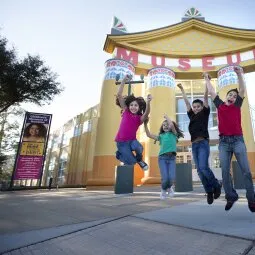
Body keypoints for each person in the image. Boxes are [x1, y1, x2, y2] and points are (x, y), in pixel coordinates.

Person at [204, 67, 255, 212]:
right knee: (225, 171)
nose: (232, 97)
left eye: (234, 95)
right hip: (224, 143)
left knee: (246, 171)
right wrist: (207, 78)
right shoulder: (220, 106)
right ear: (226, 97)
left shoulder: (237, 105)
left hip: (238, 141)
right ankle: (231, 196)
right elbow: (212, 92)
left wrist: (239, 74)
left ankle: (252, 199)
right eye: (230, 95)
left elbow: (242, 90)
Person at [177, 82, 222, 205]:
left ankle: (216, 184)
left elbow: (205, 98)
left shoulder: (205, 113)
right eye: (194, 107)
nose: (196, 108)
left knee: (203, 167)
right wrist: (182, 89)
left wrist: (206, 85)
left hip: (203, 143)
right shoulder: (191, 115)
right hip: (194, 145)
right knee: (199, 171)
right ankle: (209, 191)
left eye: (198, 106)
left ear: (202, 107)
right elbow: (186, 103)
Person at [115, 74, 152, 170]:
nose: (133, 107)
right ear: (128, 106)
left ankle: (140, 159)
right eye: (131, 105)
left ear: (139, 107)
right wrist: (123, 80)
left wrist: (148, 103)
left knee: (139, 148)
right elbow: (119, 95)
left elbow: (146, 113)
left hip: (132, 141)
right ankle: (119, 155)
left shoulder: (139, 118)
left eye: (136, 105)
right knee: (131, 162)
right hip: (121, 142)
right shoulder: (126, 111)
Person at [144, 115, 184, 200]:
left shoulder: (174, 135)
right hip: (162, 158)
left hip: (172, 158)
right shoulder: (161, 136)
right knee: (165, 178)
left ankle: (169, 188)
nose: (165, 126)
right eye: (164, 125)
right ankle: (163, 190)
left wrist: (166, 117)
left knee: (171, 177)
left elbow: (172, 125)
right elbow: (148, 135)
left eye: (167, 124)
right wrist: (145, 124)